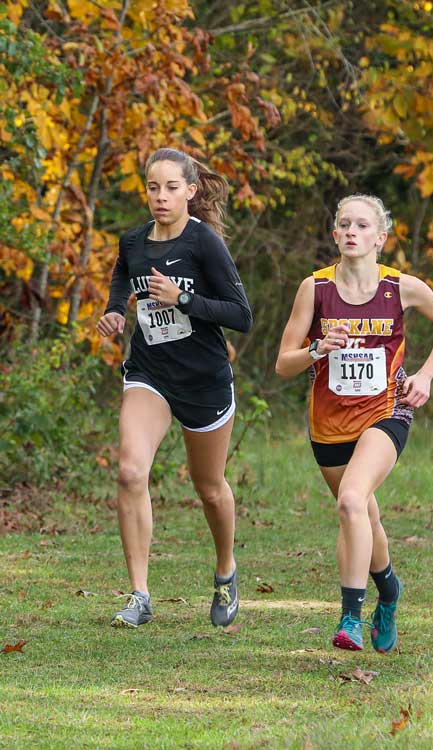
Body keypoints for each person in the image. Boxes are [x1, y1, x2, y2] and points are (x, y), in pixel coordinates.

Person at [275, 194, 433, 652]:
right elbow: (283, 363)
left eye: (362, 225)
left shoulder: (400, 287)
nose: (352, 231)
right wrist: (319, 348)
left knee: (351, 501)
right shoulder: (313, 289)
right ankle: (390, 591)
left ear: (380, 237)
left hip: (386, 411)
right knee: (362, 516)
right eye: (344, 224)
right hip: (329, 423)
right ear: (335, 234)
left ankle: (350, 619)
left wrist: (426, 375)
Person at [96, 147, 253, 628]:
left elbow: (241, 316)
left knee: (208, 488)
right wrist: (117, 309)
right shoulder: (133, 242)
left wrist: (183, 298)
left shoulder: (204, 244)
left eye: (170, 187)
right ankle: (140, 594)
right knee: (129, 472)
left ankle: (225, 570)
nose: (160, 197)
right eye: (152, 187)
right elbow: (124, 275)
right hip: (150, 372)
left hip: (203, 381)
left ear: (190, 191)